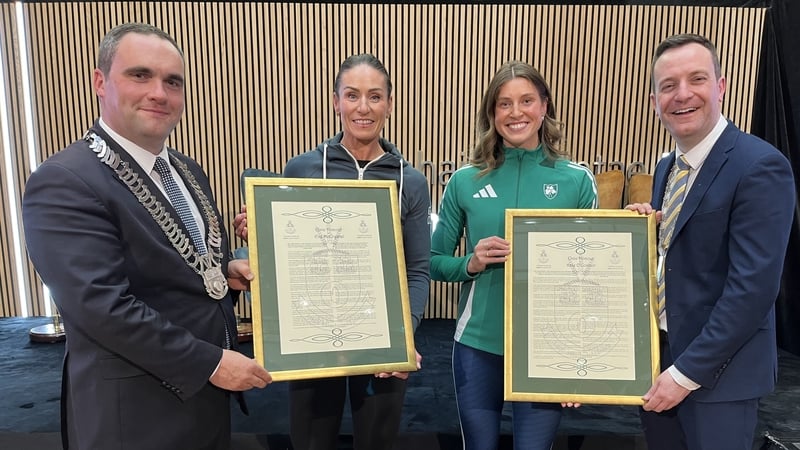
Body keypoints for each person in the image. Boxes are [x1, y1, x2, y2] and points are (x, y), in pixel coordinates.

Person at [22, 23, 272, 450]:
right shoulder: (64, 180)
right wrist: (210, 363)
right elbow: (102, 306)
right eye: (140, 75)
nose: (160, 93)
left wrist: (226, 274)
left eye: (172, 81)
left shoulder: (189, 172)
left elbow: (186, 274)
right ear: (101, 82)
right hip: (132, 415)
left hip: (205, 403)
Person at [233, 53, 430, 450]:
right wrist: (259, 237)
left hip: (381, 340)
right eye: (352, 95)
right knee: (311, 442)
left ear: (389, 104)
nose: (363, 107)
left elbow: (418, 270)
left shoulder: (410, 180)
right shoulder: (302, 168)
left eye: (375, 96)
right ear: (335, 100)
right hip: (312, 338)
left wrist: (402, 333)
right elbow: (286, 258)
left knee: (376, 443)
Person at [627, 33, 795, 450]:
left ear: (720, 86)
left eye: (696, 79)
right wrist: (646, 231)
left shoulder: (759, 166)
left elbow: (753, 290)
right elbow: (684, 253)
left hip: (719, 376)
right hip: (661, 362)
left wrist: (685, 374)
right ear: (654, 101)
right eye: (668, 85)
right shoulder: (669, 167)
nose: (682, 94)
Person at [430, 61, 597, 450]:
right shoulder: (464, 181)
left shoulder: (576, 180)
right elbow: (435, 260)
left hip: (548, 347)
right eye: (504, 104)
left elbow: (594, 280)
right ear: (492, 114)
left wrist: (580, 357)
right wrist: (470, 263)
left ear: (544, 107)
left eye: (526, 101)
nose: (516, 112)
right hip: (477, 344)